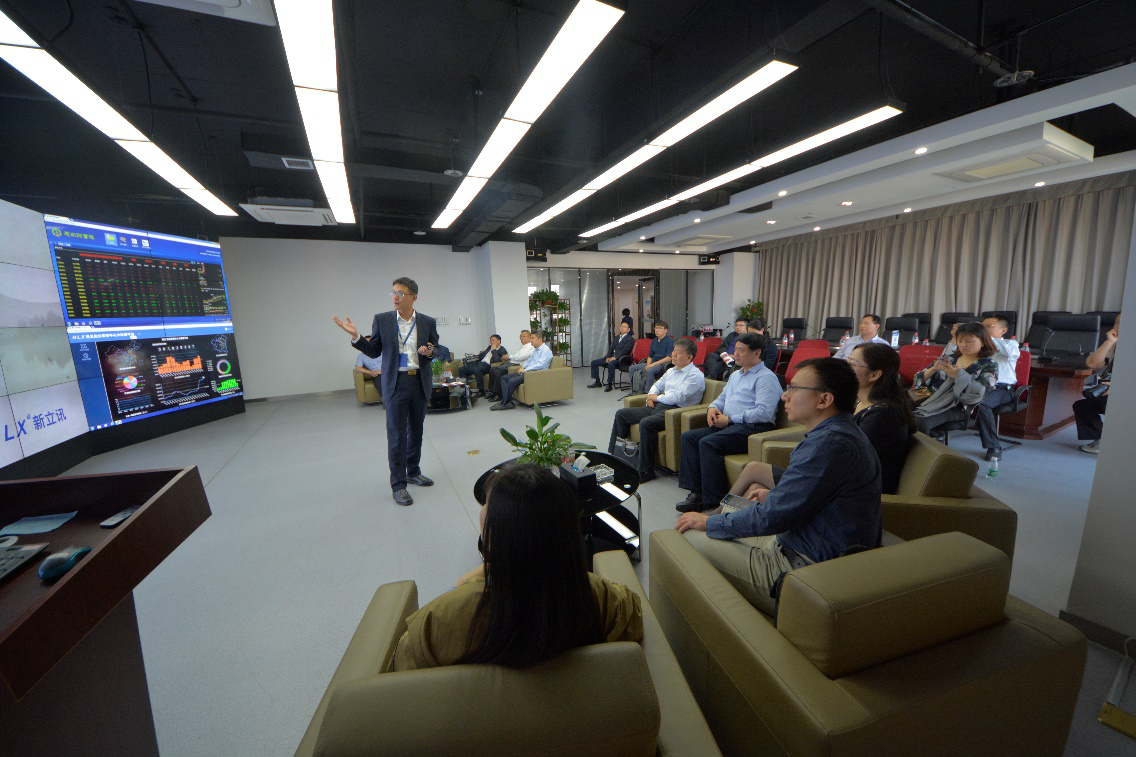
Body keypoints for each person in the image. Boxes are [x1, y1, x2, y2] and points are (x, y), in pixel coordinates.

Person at [675, 358, 882, 615]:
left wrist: (709, 523)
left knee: (688, 533)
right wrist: (777, 495)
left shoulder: (829, 445)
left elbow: (771, 518)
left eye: (794, 389)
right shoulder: (839, 434)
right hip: (805, 537)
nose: (785, 396)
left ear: (824, 400)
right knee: (728, 512)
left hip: (805, 564)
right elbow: (818, 498)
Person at [393, 464, 643, 671]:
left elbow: (404, 664)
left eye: (487, 504)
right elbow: (634, 617)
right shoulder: (599, 597)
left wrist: (464, 584)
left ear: (498, 531)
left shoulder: (447, 615)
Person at [333, 277, 440, 507]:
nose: (395, 297)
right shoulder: (382, 320)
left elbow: (436, 348)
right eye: (392, 293)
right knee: (397, 434)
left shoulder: (427, 322)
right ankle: (398, 485)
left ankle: (413, 471)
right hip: (396, 382)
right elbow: (373, 351)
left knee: (417, 431)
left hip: (419, 382)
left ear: (413, 297)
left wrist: (429, 351)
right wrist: (356, 337)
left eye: (400, 293)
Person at [676, 332, 781, 513]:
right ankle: (696, 492)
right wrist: (712, 408)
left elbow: (764, 413)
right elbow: (722, 398)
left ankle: (714, 500)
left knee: (708, 443)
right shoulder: (736, 375)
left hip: (753, 429)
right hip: (731, 424)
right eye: (736, 349)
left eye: (741, 350)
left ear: (757, 353)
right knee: (689, 438)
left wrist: (730, 419)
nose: (735, 354)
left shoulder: (766, 377)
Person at [607, 338, 705, 482]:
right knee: (622, 414)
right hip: (659, 406)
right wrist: (650, 397)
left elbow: (678, 397)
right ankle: (615, 456)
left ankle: (646, 470)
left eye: (678, 353)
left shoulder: (695, 375)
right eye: (673, 351)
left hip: (675, 412)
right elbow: (657, 386)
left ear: (689, 357)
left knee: (647, 423)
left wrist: (657, 398)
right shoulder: (671, 371)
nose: (674, 355)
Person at [941, 316, 1020, 461]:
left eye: (989, 326)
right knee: (942, 395)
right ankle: (936, 433)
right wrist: (956, 338)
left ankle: (993, 446)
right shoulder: (974, 345)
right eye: (982, 326)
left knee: (982, 403)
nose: (984, 328)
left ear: (1004, 330)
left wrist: (982, 335)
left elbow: (1008, 353)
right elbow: (948, 357)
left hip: (1001, 389)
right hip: (972, 385)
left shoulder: (1011, 344)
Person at [910, 322, 997, 440]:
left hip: (955, 407)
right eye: (960, 341)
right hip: (929, 399)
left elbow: (981, 391)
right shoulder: (949, 358)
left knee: (921, 422)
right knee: (895, 411)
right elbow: (918, 378)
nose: (963, 345)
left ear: (982, 342)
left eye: (968, 341)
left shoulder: (988, 365)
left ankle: (920, 450)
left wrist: (959, 376)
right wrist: (933, 369)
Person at [1073, 313, 1120, 454]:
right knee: (1083, 406)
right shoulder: (1117, 344)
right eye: (1117, 322)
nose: (1119, 326)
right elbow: (1092, 363)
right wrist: (1109, 342)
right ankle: (1100, 440)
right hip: (1111, 392)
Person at [492, 332, 552, 410]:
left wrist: (525, 370)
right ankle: (507, 402)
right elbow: (529, 361)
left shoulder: (546, 350)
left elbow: (540, 365)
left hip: (536, 374)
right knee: (504, 378)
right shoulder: (536, 350)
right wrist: (523, 367)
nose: (530, 340)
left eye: (532, 338)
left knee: (512, 381)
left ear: (539, 339)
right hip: (528, 372)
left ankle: (504, 403)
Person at [629, 320, 675, 394]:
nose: (657, 330)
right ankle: (634, 390)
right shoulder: (654, 341)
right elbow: (650, 356)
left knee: (650, 370)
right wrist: (648, 364)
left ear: (665, 330)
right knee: (632, 368)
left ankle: (647, 392)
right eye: (656, 328)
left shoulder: (670, 341)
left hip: (662, 364)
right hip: (652, 363)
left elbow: (669, 358)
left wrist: (652, 365)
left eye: (660, 328)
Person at [588, 321, 635, 392]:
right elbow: (611, 349)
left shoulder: (630, 339)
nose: (622, 328)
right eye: (621, 326)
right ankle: (597, 382)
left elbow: (625, 351)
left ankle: (609, 384)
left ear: (628, 329)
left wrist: (615, 357)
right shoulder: (617, 337)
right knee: (594, 362)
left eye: (624, 327)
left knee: (611, 363)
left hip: (621, 359)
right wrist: (608, 357)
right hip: (611, 357)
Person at [487, 330, 533, 400]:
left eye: (523, 336)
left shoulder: (531, 347)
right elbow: (517, 356)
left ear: (529, 337)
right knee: (492, 369)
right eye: (520, 336)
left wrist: (509, 356)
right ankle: (492, 391)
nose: (521, 338)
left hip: (517, 365)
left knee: (498, 371)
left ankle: (499, 394)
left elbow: (521, 357)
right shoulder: (523, 346)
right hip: (512, 363)